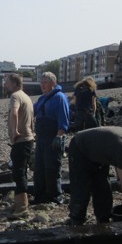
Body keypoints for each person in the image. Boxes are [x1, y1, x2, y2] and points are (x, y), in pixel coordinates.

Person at [66, 126, 122, 226]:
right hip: (80, 148)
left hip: (100, 153)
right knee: (81, 189)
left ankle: (103, 220)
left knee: (103, 188)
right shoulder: (121, 148)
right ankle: (76, 221)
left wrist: (120, 179)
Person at [32, 72, 70, 205]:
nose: (42, 85)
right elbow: (33, 111)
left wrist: (59, 136)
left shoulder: (60, 98)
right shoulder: (42, 98)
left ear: (53, 83)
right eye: (41, 83)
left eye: (45, 82)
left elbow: (64, 119)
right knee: (39, 168)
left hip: (53, 137)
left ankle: (55, 196)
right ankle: (40, 196)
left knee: (52, 168)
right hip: (41, 138)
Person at [3, 73, 35, 216]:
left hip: (21, 140)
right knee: (21, 171)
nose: (5, 84)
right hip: (28, 139)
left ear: (15, 84)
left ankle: (22, 207)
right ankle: (19, 203)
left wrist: (15, 131)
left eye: (7, 82)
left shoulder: (15, 96)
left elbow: (14, 113)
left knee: (19, 173)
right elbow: (32, 118)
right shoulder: (26, 96)